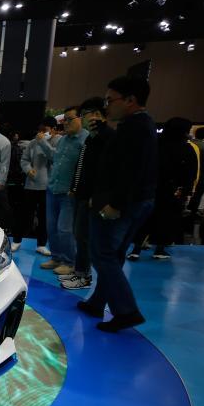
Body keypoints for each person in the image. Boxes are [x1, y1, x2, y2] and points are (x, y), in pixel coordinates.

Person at [79, 75, 158, 333]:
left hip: (121, 204)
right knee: (112, 255)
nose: (107, 106)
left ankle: (126, 311)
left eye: (110, 100)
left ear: (130, 100)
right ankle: (98, 302)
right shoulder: (139, 125)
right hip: (136, 201)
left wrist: (116, 204)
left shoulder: (135, 128)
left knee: (102, 254)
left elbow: (129, 171)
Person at [62, 97, 115, 291]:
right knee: (80, 235)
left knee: (85, 237)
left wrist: (98, 196)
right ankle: (79, 271)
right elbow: (82, 167)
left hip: (93, 198)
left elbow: (106, 171)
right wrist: (75, 187)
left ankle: (84, 276)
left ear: (97, 114)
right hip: (82, 194)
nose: (83, 119)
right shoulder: (91, 138)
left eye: (84, 115)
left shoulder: (106, 137)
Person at [128, 117, 196, 260]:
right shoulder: (186, 148)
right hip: (172, 190)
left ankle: (136, 249)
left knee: (144, 218)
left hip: (150, 187)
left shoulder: (155, 144)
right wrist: (186, 190)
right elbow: (190, 172)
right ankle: (159, 249)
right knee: (166, 219)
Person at [40, 106, 88, 276]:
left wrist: (77, 189)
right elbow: (54, 157)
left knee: (65, 229)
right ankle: (57, 257)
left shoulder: (86, 140)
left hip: (69, 193)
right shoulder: (63, 140)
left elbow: (85, 169)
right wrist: (43, 143)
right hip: (53, 188)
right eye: (64, 120)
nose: (66, 123)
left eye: (69, 119)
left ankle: (69, 261)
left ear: (80, 119)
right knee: (51, 227)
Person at [17, 118, 54, 254]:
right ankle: (17, 241)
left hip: (48, 186)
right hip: (31, 184)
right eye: (40, 130)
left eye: (45, 130)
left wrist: (43, 142)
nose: (41, 133)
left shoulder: (57, 141)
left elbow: (53, 156)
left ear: (53, 130)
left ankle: (41, 244)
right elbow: (24, 159)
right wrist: (28, 169)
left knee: (44, 216)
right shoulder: (33, 143)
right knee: (24, 214)